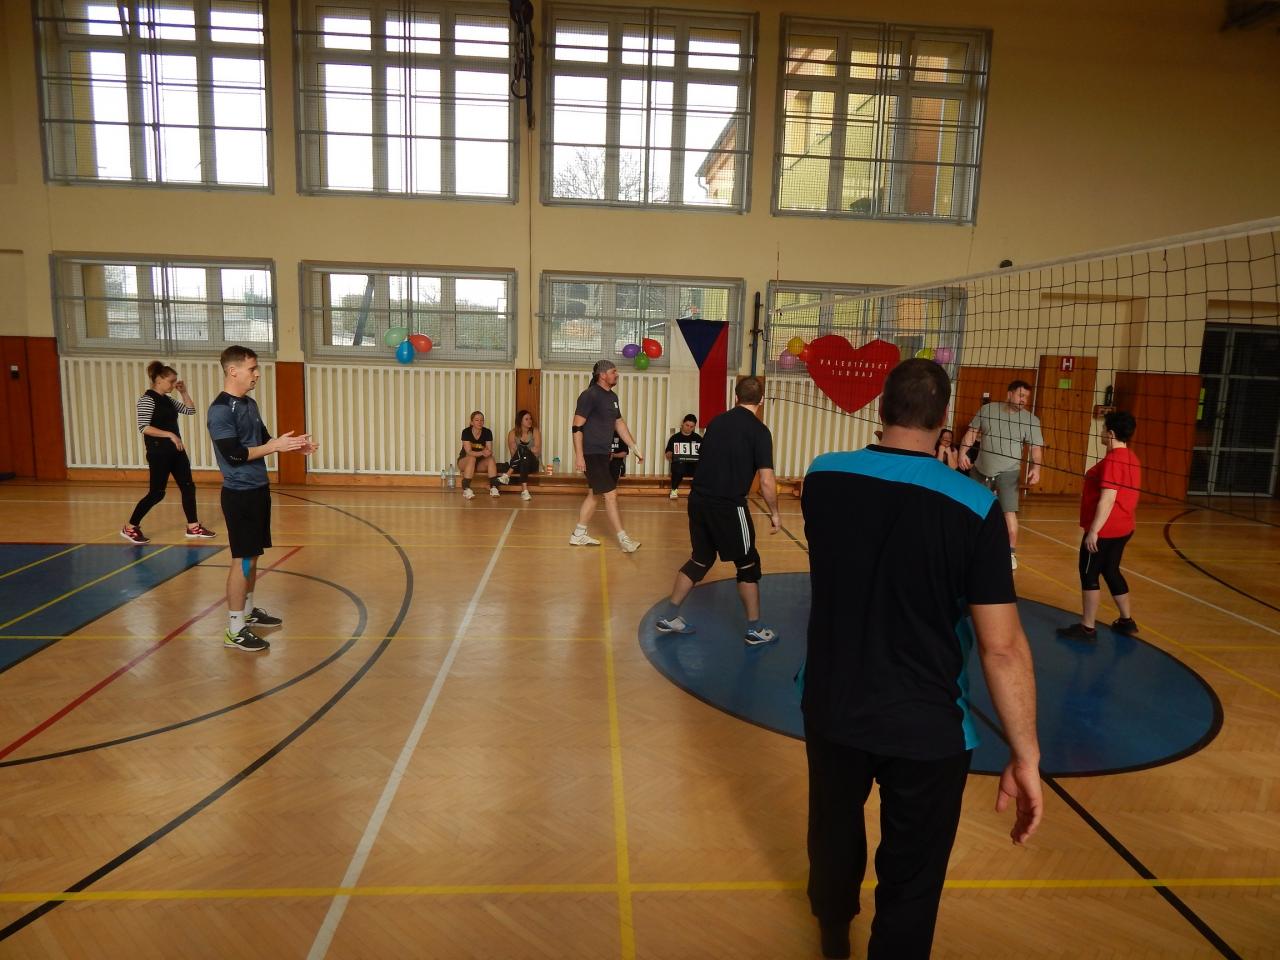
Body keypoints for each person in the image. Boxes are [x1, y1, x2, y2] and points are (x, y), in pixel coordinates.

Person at [801, 359, 1042, 960]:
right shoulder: (976, 507)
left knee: (832, 835)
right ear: (944, 420)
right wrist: (1025, 754)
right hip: (928, 725)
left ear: (880, 409)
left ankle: (833, 933)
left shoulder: (822, 477)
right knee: (912, 879)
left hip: (833, 705)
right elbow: (1002, 646)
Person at [207, 345, 318, 653]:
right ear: (233, 371)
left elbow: (264, 440)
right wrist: (275, 447)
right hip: (239, 494)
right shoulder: (220, 410)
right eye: (252, 368)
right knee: (242, 559)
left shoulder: (249, 404)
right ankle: (234, 629)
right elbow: (235, 454)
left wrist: (293, 447)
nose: (257, 374)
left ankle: (247, 611)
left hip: (258, 489)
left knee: (253, 556)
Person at [656, 377, 781, 645]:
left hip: (698, 501)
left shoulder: (715, 423)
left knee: (700, 558)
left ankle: (669, 616)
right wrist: (775, 513)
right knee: (748, 563)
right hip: (728, 506)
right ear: (761, 400)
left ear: (735, 397)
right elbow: (767, 480)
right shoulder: (760, 431)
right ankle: (754, 629)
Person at [1057, 410, 1141, 641]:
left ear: (1111, 433)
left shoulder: (1114, 460)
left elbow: (1108, 498)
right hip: (1124, 526)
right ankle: (1126, 621)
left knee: (1089, 574)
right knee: (1111, 570)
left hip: (1106, 529)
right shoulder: (1131, 457)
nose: (1101, 432)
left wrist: (1094, 531)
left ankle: (1087, 628)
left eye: (1103, 429)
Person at [121, 361, 215, 543]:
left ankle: (193, 526)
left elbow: (190, 410)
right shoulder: (147, 399)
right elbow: (144, 427)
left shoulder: (168, 400)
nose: (173, 384)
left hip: (176, 452)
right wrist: (170, 434)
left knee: (188, 487)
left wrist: (184, 392)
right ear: (158, 379)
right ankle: (130, 527)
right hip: (159, 453)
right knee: (157, 493)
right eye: (171, 381)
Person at [958, 380, 1044, 570]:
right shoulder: (987, 410)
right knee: (971, 509)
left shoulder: (1031, 420)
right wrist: (962, 453)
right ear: (1009, 394)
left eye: (1026, 397)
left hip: (1009, 472)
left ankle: (1010, 553)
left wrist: (1036, 468)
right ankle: (968, 547)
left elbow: (1036, 449)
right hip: (980, 469)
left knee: (1008, 513)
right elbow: (971, 433)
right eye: (1020, 395)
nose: (1023, 400)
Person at [570, 359, 643, 552]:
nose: (617, 375)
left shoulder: (612, 397)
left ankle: (578, 534)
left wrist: (634, 446)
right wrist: (579, 455)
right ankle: (624, 539)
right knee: (611, 495)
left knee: (594, 495)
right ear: (602, 375)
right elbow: (576, 427)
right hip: (591, 453)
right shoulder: (589, 395)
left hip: (603, 453)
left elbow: (619, 423)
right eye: (613, 371)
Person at [458, 411, 507, 500]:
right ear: (471, 422)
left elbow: (489, 451)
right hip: (465, 461)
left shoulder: (487, 432)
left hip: (480, 463)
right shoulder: (466, 432)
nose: (480, 422)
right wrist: (482, 452)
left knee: (491, 458)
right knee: (472, 458)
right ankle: (466, 489)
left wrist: (486, 452)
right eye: (477, 420)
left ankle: (494, 487)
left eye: (482, 420)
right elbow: (469, 452)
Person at [504, 409, 541, 501]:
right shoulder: (512, 433)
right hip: (517, 465)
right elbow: (513, 454)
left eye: (530, 419)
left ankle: (507, 475)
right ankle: (524, 491)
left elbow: (537, 451)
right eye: (526, 419)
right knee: (523, 453)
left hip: (532, 464)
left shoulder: (535, 431)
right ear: (520, 421)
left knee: (523, 449)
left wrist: (524, 450)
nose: (530, 421)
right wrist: (528, 450)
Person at [665, 414, 702, 499]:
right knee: (679, 465)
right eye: (687, 425)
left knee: (702, 467)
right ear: (683, 423)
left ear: (694, 427)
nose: (689, 428)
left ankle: (698, 492)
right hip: (679, 466)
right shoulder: (674, 438)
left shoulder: (698, 438)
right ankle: (674, 489)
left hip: (693, 466)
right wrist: (672, 453)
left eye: (691, 427)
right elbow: (667, 454)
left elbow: (703, 453)